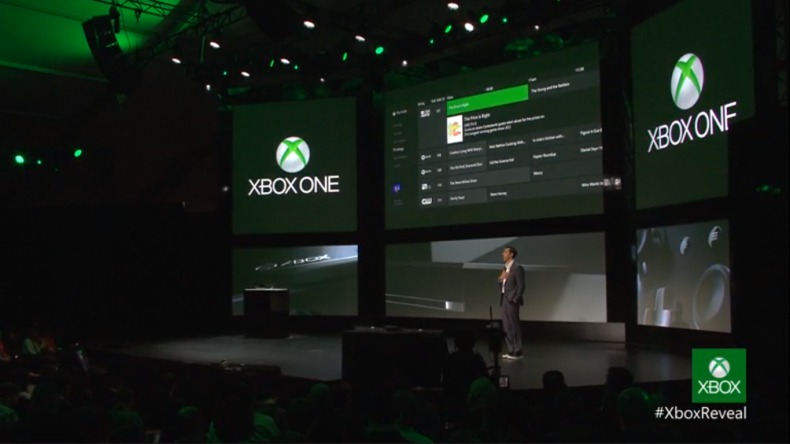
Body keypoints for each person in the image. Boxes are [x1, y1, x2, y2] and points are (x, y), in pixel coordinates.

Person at [498, 245, 524, 359]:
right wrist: (500, 279)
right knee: (506, 325)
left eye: (505, 252)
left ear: (511, 254)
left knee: (514, 325)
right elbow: (502, 284)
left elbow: (521, 285)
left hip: (511, 300)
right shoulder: (505, 268)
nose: (503, 254)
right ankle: (511, 349)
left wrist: (515, 298)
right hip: (504, 298)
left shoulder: (517, 268)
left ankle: (518, 350)